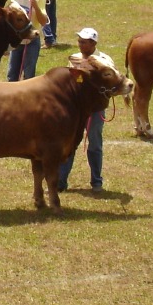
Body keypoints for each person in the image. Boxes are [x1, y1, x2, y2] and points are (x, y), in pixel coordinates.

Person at [57, 27, 113, 192]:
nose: (80, 44)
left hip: (95, 108)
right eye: (79, 41)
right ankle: (61, 181)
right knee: (71, 143)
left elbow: (109, 81)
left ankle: (96, 182)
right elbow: (73, 81)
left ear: (93, 43)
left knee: (95, 145)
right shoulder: (75, 59)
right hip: (78, 108)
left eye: (84, 42)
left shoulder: (105, 60)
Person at [5, 0, 49, 81]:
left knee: (29, 75)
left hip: (32, 40)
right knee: (12, 74)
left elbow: (43, 21)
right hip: (18, 39)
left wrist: (36, 7)